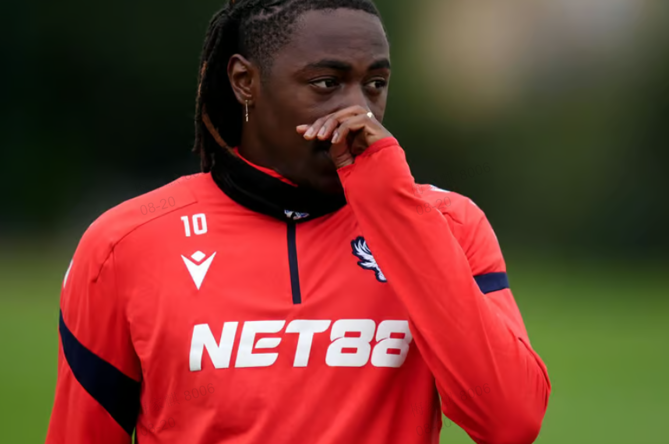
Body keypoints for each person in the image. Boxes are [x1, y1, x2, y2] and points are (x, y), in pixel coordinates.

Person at [45, 0, 551, 443]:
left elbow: (510, 422)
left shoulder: (450, 224)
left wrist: (396, 211)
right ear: (245, 82)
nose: (358, 112)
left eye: (375, 85)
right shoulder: (124, 244)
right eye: (326, 83)